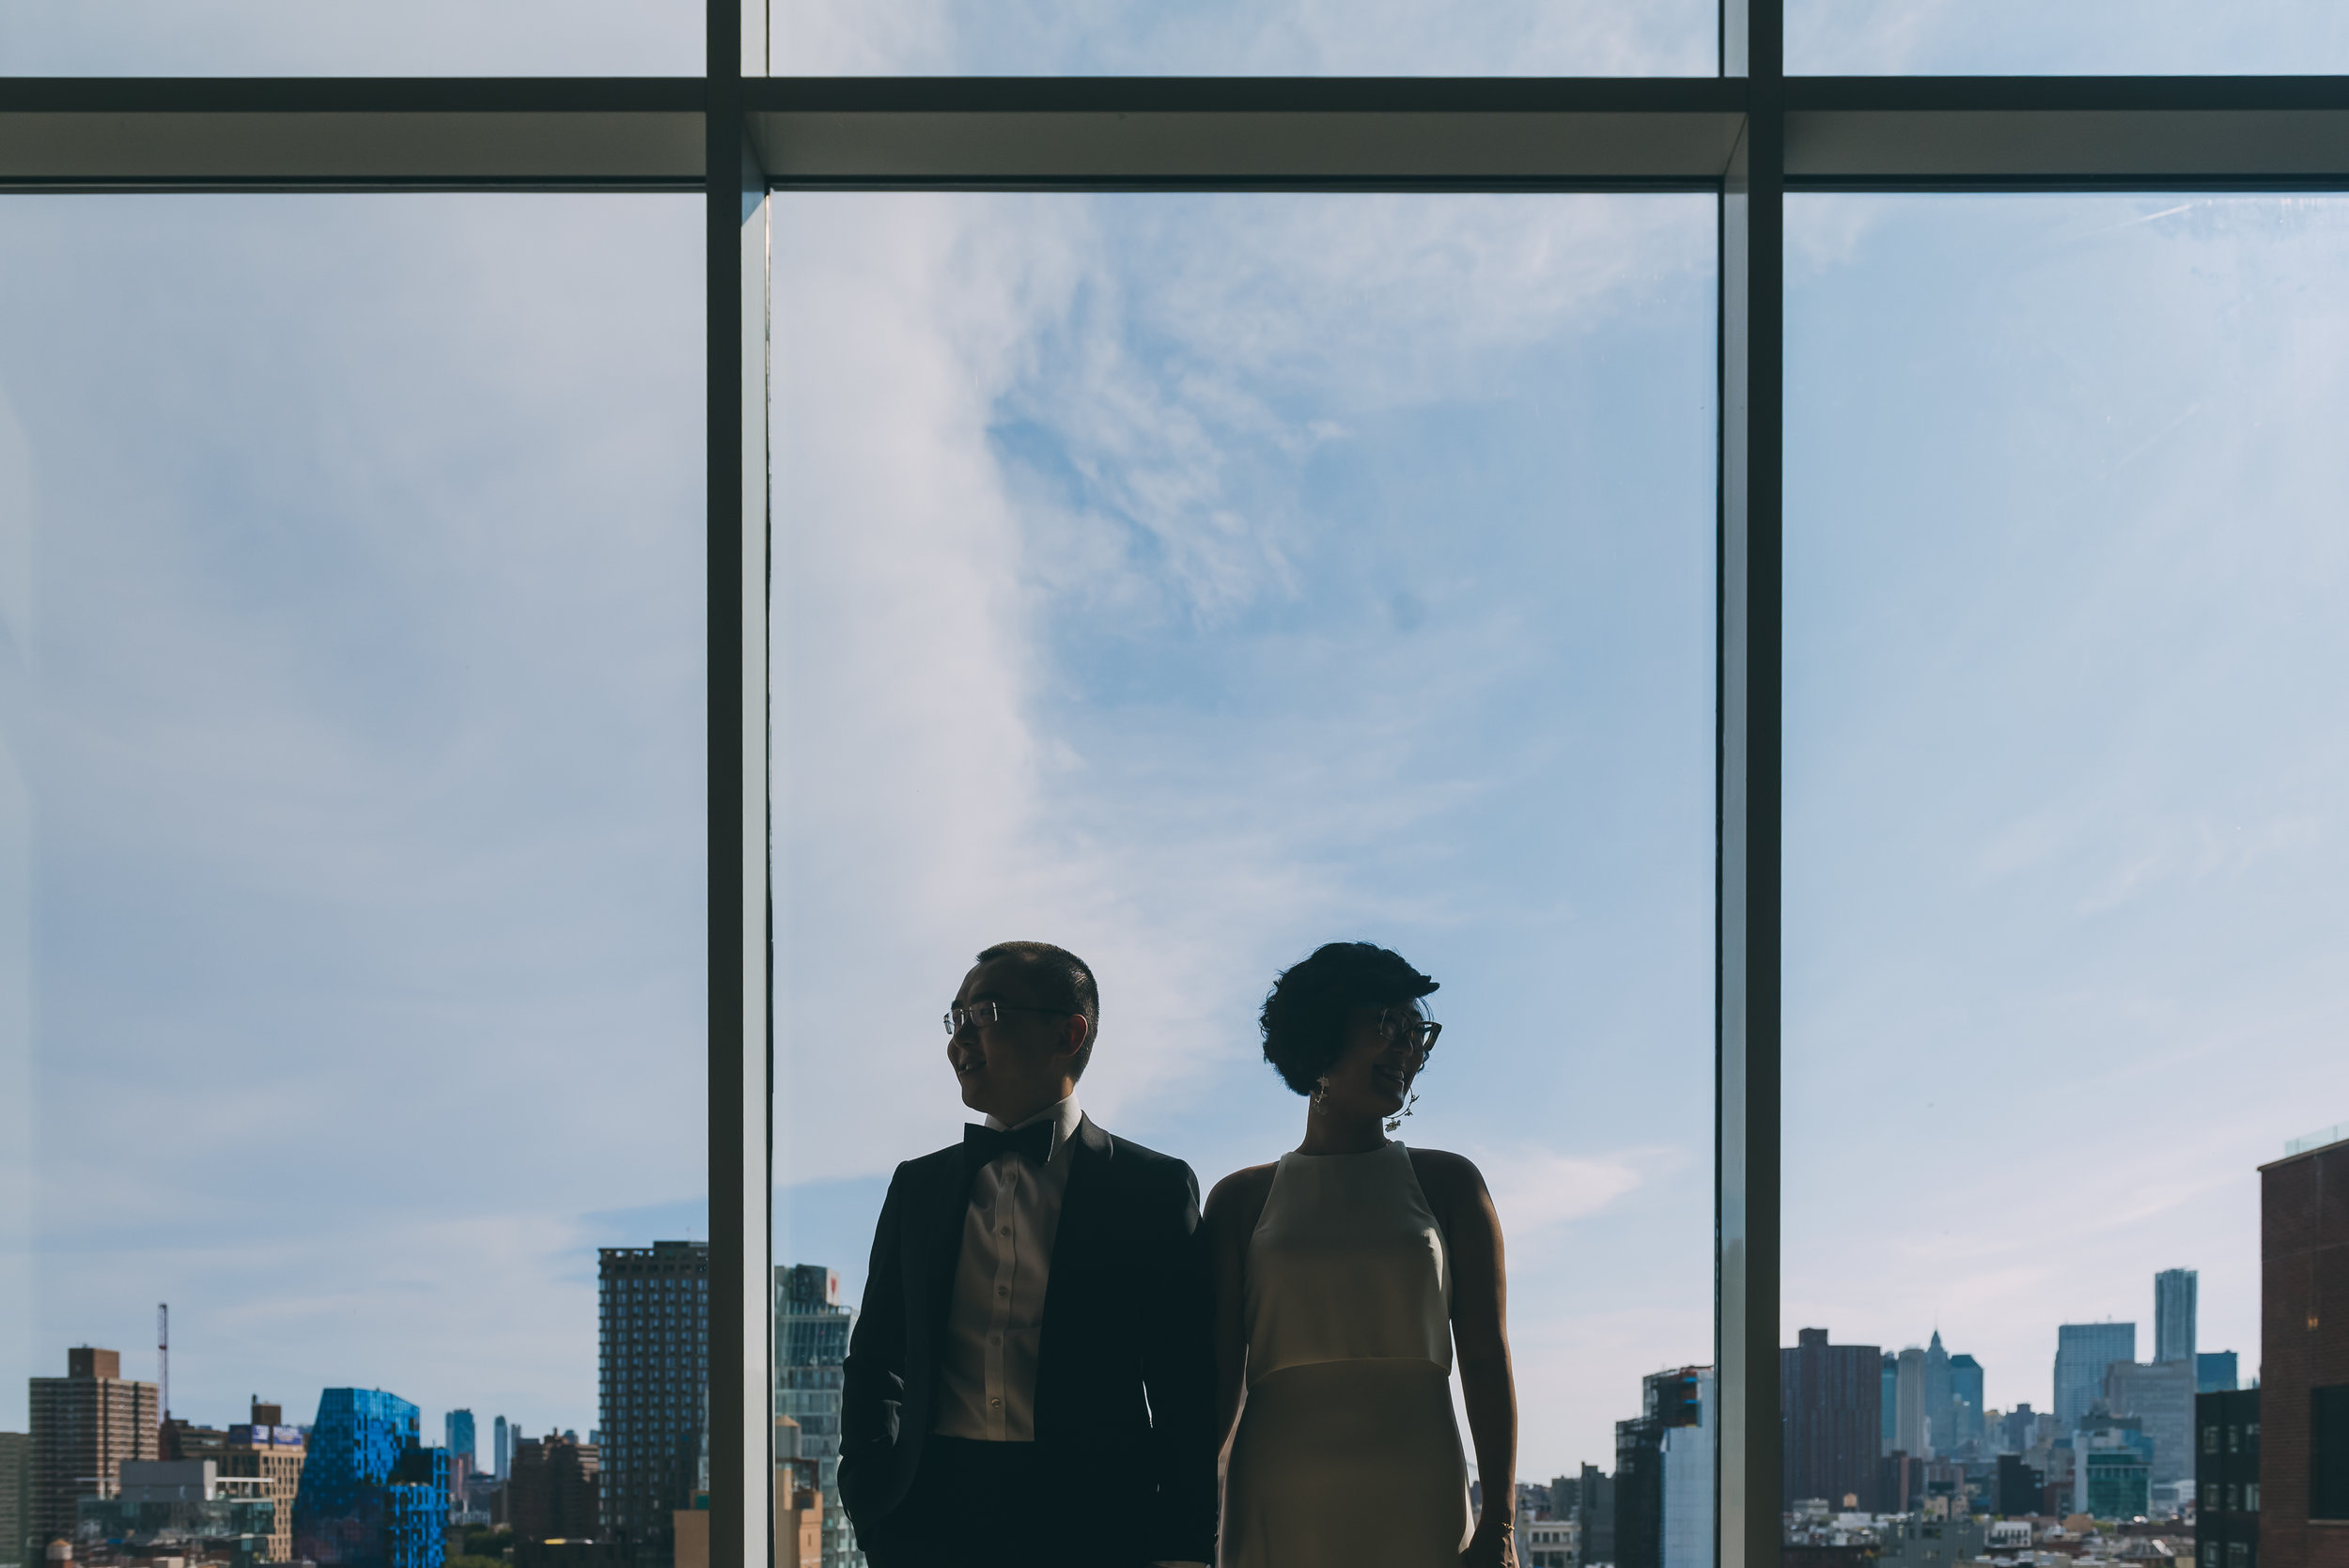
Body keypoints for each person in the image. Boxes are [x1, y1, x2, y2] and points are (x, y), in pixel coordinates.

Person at [839, 940, 1218, 1568]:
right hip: (929, 1518)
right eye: (954, 1018)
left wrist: (1184, 1546)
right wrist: (872, 1498)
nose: (961, 1039)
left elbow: (1184, 1386)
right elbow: (878, 1356)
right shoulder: (918, 1185)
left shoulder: (1154, 1186)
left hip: (1094, 1521)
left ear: (1069, 1033)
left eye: (985, 1013)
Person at [1206, 941, 1518, 1568]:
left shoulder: (1452, 1184)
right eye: (1387, 1025)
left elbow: (1485, 1358)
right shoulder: (1240, 1199)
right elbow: (1216, 1381)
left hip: (1421, 1491)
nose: (1408, 1048)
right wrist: (1187, 1521)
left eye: (1418, 1032)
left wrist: (1501, 1525)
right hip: (1276, 1492)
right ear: (1319, 1033)